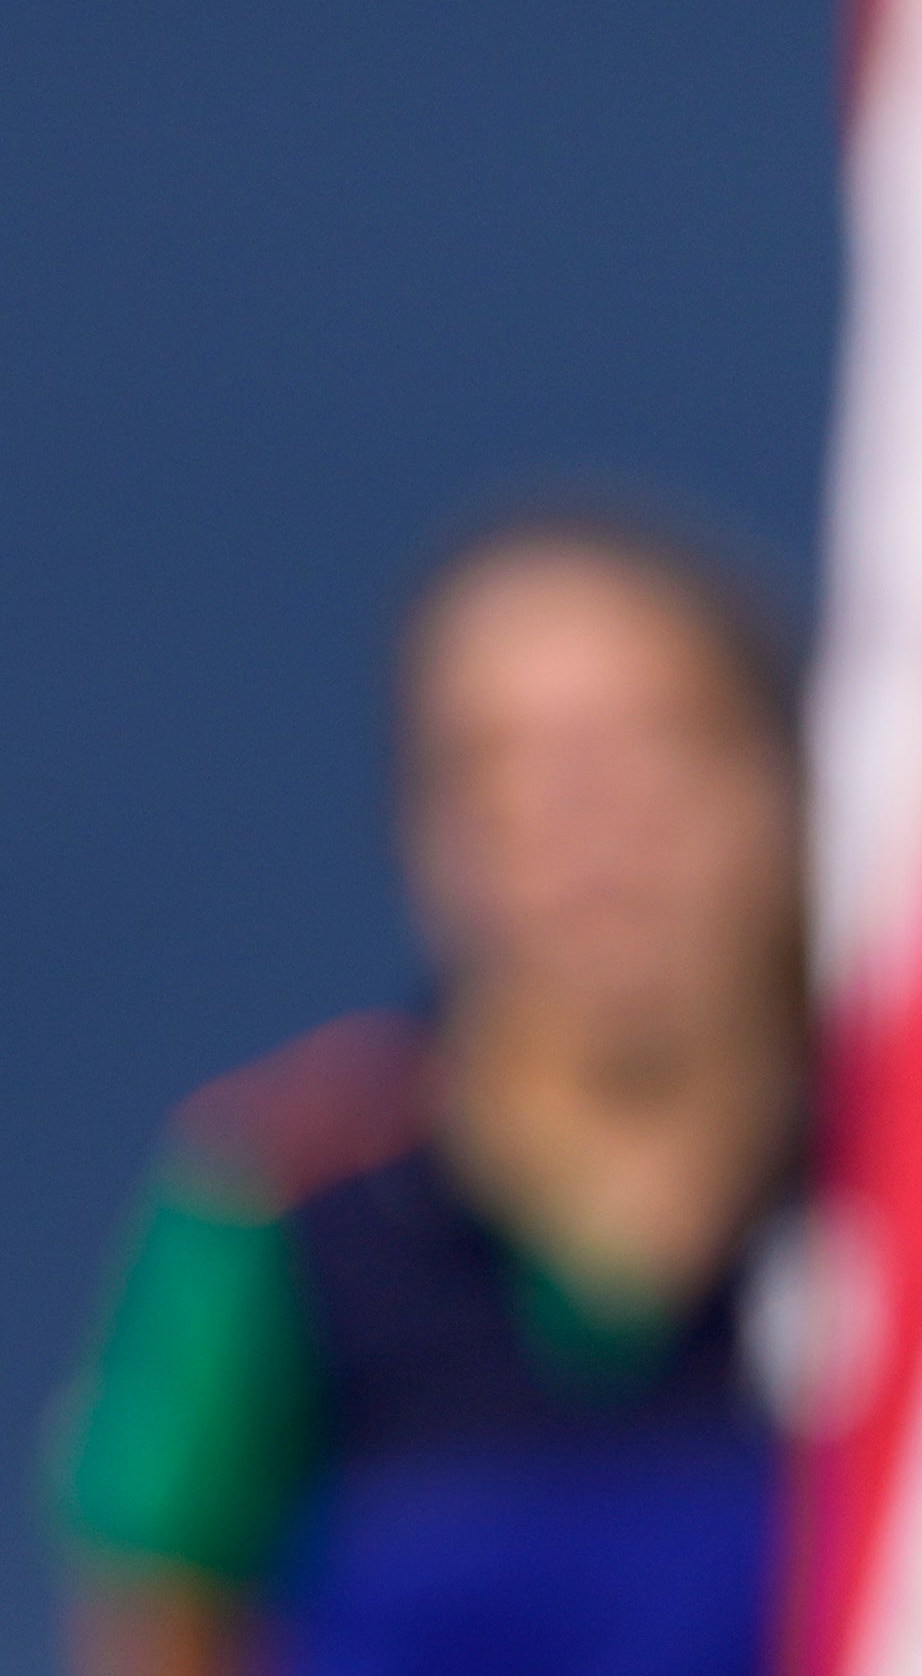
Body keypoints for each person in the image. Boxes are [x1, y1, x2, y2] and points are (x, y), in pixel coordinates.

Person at [45, 509, 807, 1676]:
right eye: (505, 764)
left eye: (660, 744)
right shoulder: (275, 1199)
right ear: (428, 835)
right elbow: (156, 1620)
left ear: (785, 788)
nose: (591, 825)